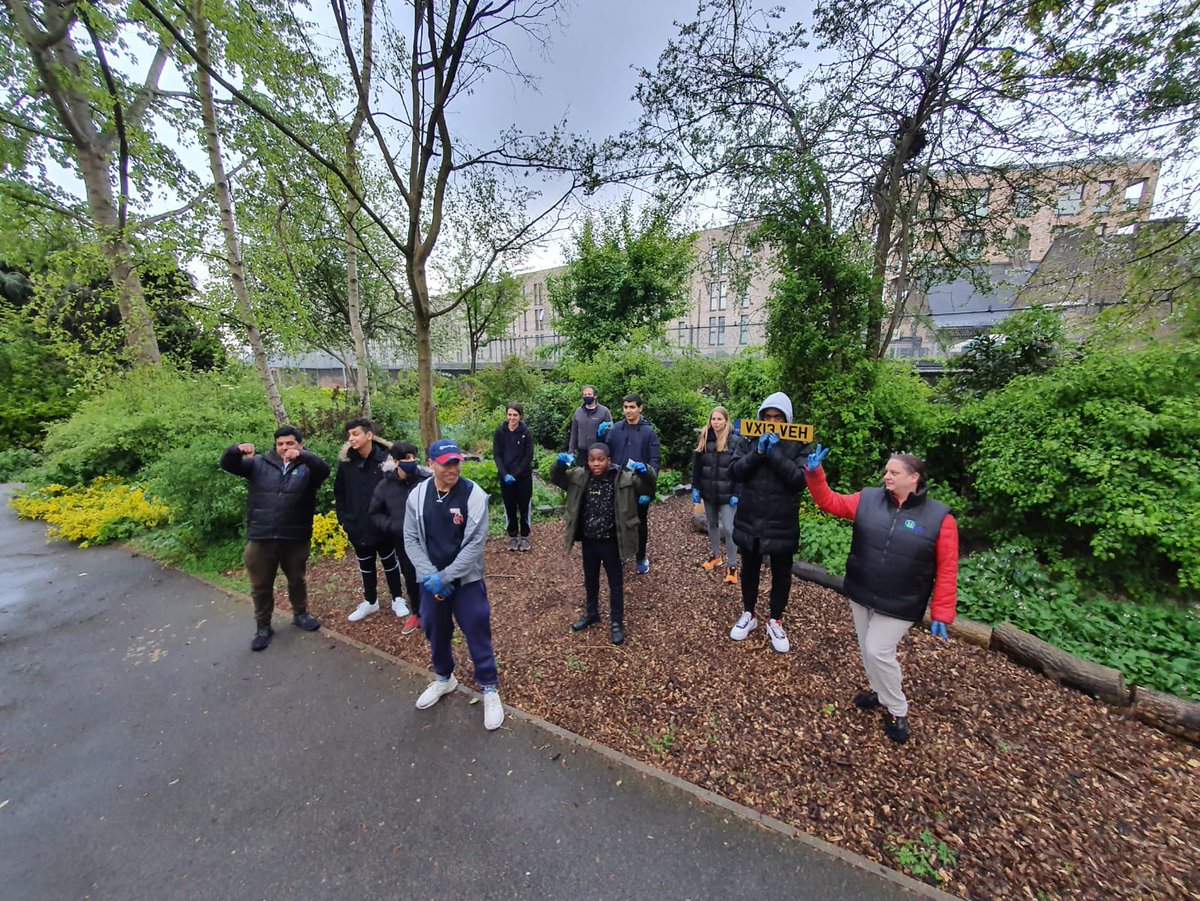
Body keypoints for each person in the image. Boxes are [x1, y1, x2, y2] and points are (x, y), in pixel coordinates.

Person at [804, 447, 958, 744]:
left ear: (913, 478)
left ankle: (897, 709)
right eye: (887, 471)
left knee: (877, 649)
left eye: (894, 473)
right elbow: (830, 502)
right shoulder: (869, 499)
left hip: (901, 600)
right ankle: (879, 691)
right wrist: (815, 474)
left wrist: (942, 611)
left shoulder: (940, 518)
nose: (886, 476)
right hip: (862, 590)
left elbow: (948, 568)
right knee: (866, 647)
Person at [403, 438, 504, 731]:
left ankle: (488, 686)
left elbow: (474, 545)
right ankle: (445, 679)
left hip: (466, 581)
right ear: (431, 463)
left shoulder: (474, 495)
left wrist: (446, 577)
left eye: (456, 462)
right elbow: (410, 538)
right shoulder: (417, 495)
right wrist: (430, 576)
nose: (453, 468)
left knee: (476, 626)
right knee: (435, 629)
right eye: (446, 463)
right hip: (431, 582)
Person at [219, 426, 330, 651]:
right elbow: (228, 465)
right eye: (280, 444)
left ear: (300, 444)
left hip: (295, 537)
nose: (284, 448)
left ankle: (300, 614)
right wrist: (235, 450)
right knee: (260, 585)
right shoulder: (258, 463)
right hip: (261, 536)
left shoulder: (307, 467)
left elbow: (324, 470)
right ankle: (263, 627)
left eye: (289, 443)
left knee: (296, 579)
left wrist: (304, 456)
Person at [728, 392, 809, 654]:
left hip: (782, 520)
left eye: (778, 417)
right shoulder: (749, 438)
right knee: (749, 568)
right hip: (751, 516)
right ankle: (749, 613)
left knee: (781, 573)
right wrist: (759, 452)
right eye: (768, 416)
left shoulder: (799, 444)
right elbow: (735, 470)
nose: (772, 421)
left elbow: (799, 480)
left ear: (787, 419)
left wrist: (774, 454)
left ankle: (775, 620)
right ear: (761, 417)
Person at [550, 443, 653, 645]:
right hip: (589, 540)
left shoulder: (623, 478)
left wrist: (646, 472)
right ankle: (592, 613)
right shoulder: (579, 476)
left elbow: (647, 486)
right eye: (592, 460)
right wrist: (559, 465)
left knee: (615, 583)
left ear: (609, 460)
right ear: (587, 461)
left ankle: (616, 622)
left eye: (600, 459)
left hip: (612, 541)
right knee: (590, 578)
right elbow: (557, 478)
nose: (596, 463)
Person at [335, 418, 410, 623]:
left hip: (384, 526)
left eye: (356, 434)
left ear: (369, 435)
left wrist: (392, 521)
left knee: (390, 563)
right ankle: (370, 601)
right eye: (349, 435)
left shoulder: (386, 461)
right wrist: (344, 520)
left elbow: (398, 490)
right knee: (365, 565)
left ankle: (397, 598)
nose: (351, 438)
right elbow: (339, 493)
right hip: (357, 526)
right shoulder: (347, 464)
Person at [367, 441, 430, 636]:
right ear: (395, 462)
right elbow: (374, 512)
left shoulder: (427, 479)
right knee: (411, 577)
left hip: (430, 540)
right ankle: (418, 613)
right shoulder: (385, 486)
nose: (411, 462)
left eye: (413, 457)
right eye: (406, 458)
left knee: (433, 576)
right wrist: (393, 526)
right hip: (404, 542)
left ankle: (437, 614)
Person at [598, 393, 660, 575]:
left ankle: (640, 557)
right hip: (618, 483)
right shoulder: (616, 429)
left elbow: (655, 461)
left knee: (639, 523)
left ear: (640, 408)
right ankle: (621, 554)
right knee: (617, 522)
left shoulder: (649, 432)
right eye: (625, 407)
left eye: (632, 407)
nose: (628, 411)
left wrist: (648, 486)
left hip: (639, 485)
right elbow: (605, 454)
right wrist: (600, 438)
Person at [691, 405, 743, 585]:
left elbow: (740, 468)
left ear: (726, 420)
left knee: (729, 529)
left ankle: (732, 565)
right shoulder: (705, 437)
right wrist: (695, 487)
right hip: (709, 491)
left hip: (728, 494)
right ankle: (715, 556)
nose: (716, 422)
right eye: (713, 419)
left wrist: (738, 492)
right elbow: (697, 466)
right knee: (712, 524)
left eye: (719, 419)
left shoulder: (735, 440)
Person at [493, 402, 535, 552]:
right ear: (506, 415)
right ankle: (512, 535)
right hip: (506, 478)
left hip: (523, 477)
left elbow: (528, 456)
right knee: (509, 507)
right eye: (509, 414)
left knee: (524, 507)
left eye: (515, 415)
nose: (512, 418)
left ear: (520, 416)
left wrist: (515, 474)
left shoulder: (526, 433)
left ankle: (524, 536)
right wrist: (504, 474)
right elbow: (497, 454)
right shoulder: (500, 432)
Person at [568, 385, 612, 456]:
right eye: (585, 395)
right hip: (582, 451)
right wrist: (571, 450)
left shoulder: (604, 411)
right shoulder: (578, 411)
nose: (587, 396)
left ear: (595, 396)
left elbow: (610, 432)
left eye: (589, 394)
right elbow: (574, 432)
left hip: (598, 452)